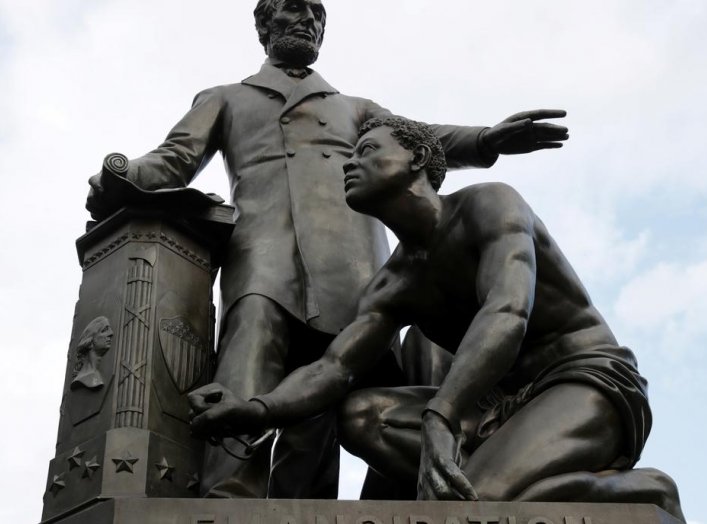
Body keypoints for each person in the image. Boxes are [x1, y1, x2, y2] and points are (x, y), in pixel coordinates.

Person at [86, 0, 568, 499]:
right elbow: (174, 159)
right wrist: (120, 175)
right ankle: (230, 498)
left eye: (317, 17)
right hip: (264, 261)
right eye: (294, 11)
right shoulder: (227, 98)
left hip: (356, 267)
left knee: (348, 397)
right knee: (249, 368)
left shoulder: (355, 109)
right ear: (264, 27)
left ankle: (381, 498)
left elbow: (422, 138)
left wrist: (486, 138)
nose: (307, 22)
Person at [188, 117, 683, 518]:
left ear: (418, 158)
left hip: (585, 382)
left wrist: (441, 416)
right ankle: (511, 473)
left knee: (473, 506)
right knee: (361, 415)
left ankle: (645, 491)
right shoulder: (394, 281)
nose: (348, 165)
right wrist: (256, 409)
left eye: (365, 151)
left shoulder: (490, 205)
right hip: (496, 409)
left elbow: (507, 311)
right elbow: (334, 369)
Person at [71, 317, 114, 391]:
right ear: (90, 341)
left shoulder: (97, 375)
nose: (111, 333)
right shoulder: (83, 378)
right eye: (104, 330)